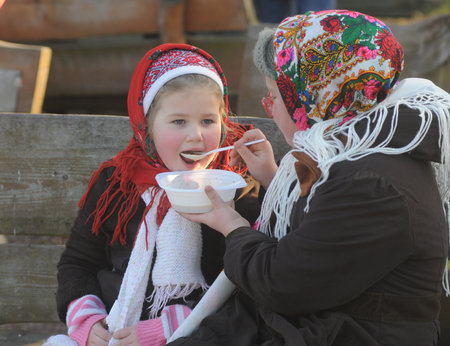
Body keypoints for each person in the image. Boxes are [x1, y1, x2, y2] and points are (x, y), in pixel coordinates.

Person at [168, 10, 450, 346]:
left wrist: (231, 224)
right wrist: (275, 180)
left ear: (314, 98)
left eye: (275, 96)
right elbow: (324, 240)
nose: (270, 107)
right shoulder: (360, 149)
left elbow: (282, 284)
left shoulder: (372, 184)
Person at [49, 43, 260, 346]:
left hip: (197, 338)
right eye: (178, 121)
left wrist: (165, 330)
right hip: (113, 331)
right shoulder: (116, 184)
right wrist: (87, 322)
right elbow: (78, 263)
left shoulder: (235, 188)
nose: (196, 135)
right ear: (147, 125)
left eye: (208, 121)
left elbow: (246, 288)